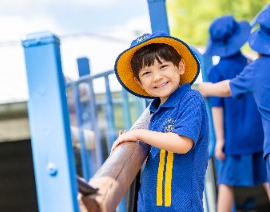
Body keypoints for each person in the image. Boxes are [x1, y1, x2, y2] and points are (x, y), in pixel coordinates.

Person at [111, 31, 209, 211]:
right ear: (139, 82)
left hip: (180, 206)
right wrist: (134, 139)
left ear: (180, 66)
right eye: (147, 72)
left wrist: (139, 133)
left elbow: (182, 143)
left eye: (163, 66)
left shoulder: (190, 99)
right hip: (150, 204)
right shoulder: (154, 109)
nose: (156, 77)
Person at [198, 7, 270, 196]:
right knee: (266, 178)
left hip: (235, 138)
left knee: (226, 182)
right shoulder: (251, 63)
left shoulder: (215, 72)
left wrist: (220, 140)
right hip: (260, 134)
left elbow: (217, 108)